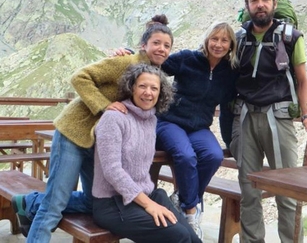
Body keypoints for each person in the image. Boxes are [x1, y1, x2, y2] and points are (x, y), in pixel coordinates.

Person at [11, 14, 174, 243]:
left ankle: (30, 202)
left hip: (96, 142)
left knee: (92, 201)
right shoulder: (125, 62)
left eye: (166, 45)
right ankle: (40, 213)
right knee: (53, 206)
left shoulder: (151, 75)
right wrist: (104, 106)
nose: (161, 49)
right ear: (143, 45)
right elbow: (80, 77)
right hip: (74, 134)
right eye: (156, 43)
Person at [113, 21, 238, 239]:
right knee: (186, 155)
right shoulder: (189, 59)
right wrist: (131, 53)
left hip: (199, 127)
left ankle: (182, 199)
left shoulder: (228, 73)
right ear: (207, 40)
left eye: (224, 40)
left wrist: (229, 142)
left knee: (213, 155)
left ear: (230, 45)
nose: (218, 44)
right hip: (170, 121)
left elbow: (227, 108)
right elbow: (157, 62)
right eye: (214, 39)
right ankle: (190, 213)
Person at [228, 0, 307, 243]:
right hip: (245, 116)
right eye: (254, 1)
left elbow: (303, 80)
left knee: (288, 191)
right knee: (248, 191)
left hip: (278, 116)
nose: (260, 5)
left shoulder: (290, 37)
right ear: (247, 6)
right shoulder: (238, 39)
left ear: (274, 3)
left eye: (265, 0)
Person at [92, 63, 200, 243]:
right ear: (132, 88)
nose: (148, 92)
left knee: (192, 237)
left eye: (154, 88)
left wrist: (150, 201)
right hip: (112, 203)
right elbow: (112, 170)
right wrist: (149, 205)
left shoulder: (151, 120)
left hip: (145, 195)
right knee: (177, 236)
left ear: (160, 93)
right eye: (142, 86)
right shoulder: (114, 118)